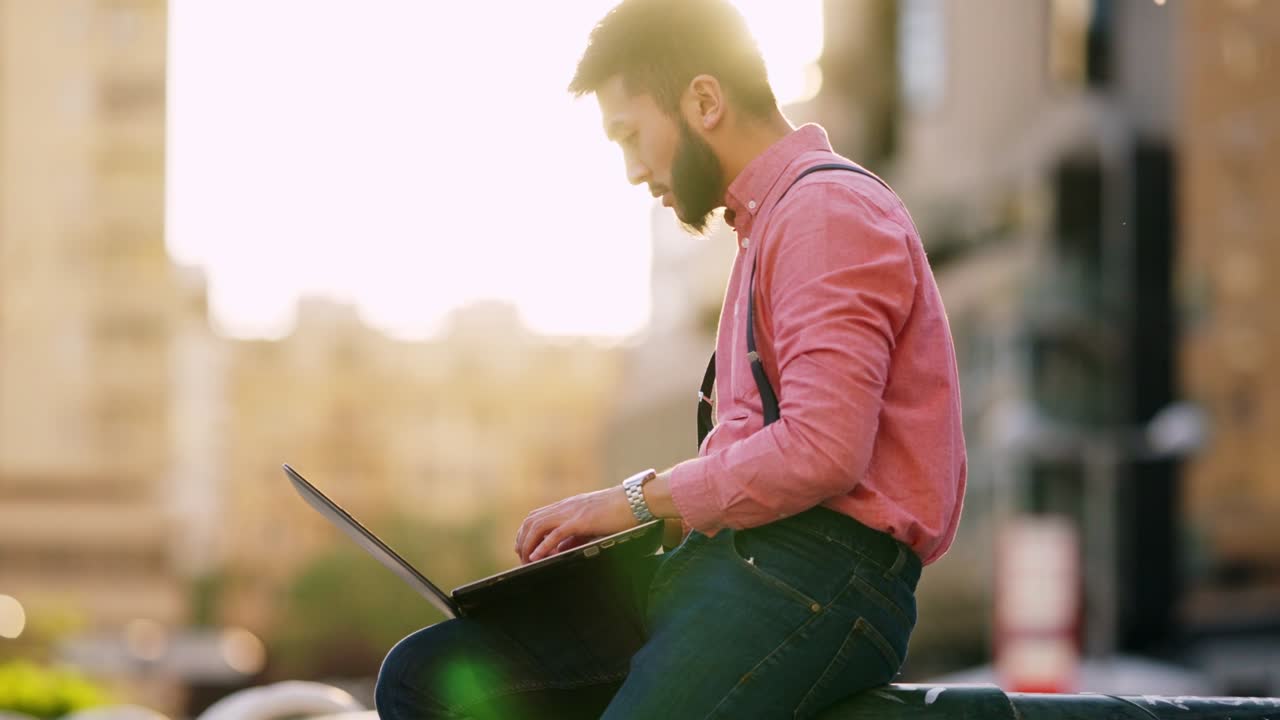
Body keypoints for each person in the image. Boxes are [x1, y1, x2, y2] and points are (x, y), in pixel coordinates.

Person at [374, 0, 966, 717]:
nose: (631, 170)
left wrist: (629, 502)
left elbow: (824, 450)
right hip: (736, 569)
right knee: (424, 676)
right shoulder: (769, 226)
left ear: (705, 101)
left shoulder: (825, 213)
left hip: (818, 581)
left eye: (630, 133)